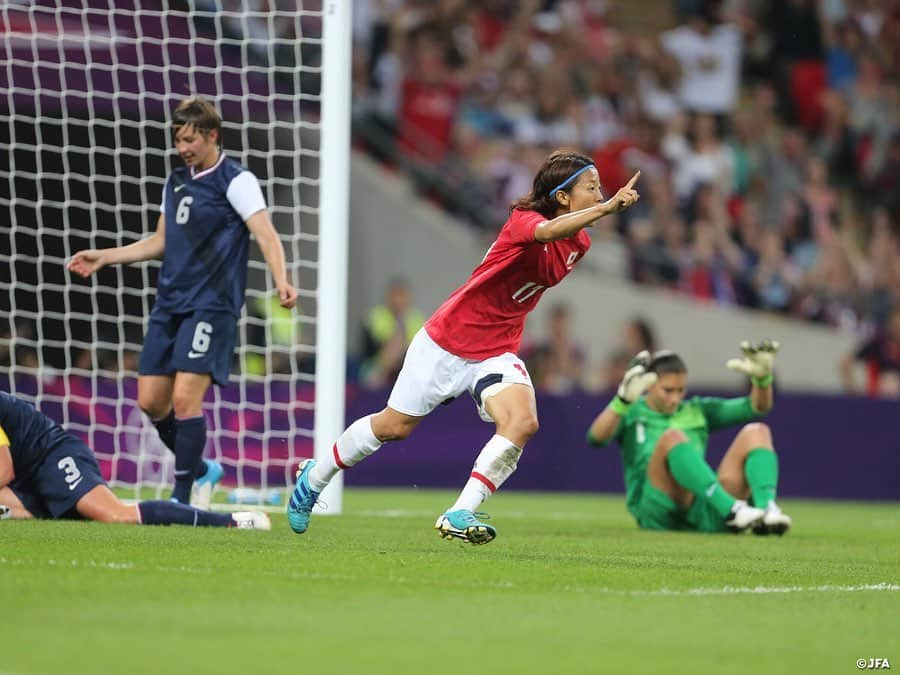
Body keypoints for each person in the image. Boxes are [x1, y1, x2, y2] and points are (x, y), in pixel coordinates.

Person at [288, 150, 641, 544]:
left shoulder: (582, 242)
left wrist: (600, 210)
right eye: (591, 187)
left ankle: (459, 512)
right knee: (394, 427)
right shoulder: (524, 222)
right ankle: (314, 477)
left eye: (600, 188)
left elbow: (558, 242)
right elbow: (546, 233)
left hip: (497, 349)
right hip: (447, 341)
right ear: (562, 197)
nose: (600, 192)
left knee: (523, 422)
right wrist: (607, 209)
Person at [67, 95, 298, 506]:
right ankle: (202, 470)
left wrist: (281, 278)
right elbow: (160, 241)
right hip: (170, 303)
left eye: (190, 139)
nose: (183, 148)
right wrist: (106, 256)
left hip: (211, 305)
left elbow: (265, 234)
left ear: (212, 135)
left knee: (185, 398)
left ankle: (182, 494)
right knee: (150, 401)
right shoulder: (176, 180)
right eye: (178, 140)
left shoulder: (236, 180)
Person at [585, 342, 792, 535]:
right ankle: (732, 510)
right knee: (672, 437)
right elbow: (596, 439)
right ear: (648, 385)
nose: (675, 398)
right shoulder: (631, 411)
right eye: (668, 390)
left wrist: (763, 380)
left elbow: (756, 407)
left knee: (756, 431)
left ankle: (767, 511)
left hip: (701, 506)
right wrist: (621, 402)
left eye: (681, 390)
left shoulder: (697, 410)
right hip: (657, 511)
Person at [0, 391, 269, 529]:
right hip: (28, 477)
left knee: (117, 515)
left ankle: (232, 521)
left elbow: (4, 469)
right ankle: (37, 509)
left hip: (54, 457)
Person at [358, 278, 425, 390]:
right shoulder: (375, 316)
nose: (398, 300)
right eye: (395, 295)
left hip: (407, 366)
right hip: (376, 365)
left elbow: (420, 349)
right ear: (388, 297)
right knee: (394, 347)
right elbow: (369, 348)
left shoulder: (416, 318)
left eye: (402, 295)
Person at [840, 306, 900, 398]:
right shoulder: (878, 343)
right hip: (878, 396)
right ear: (890, 323)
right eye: (895, 324)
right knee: (890, 384)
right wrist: (853, 391)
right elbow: (845, 363)